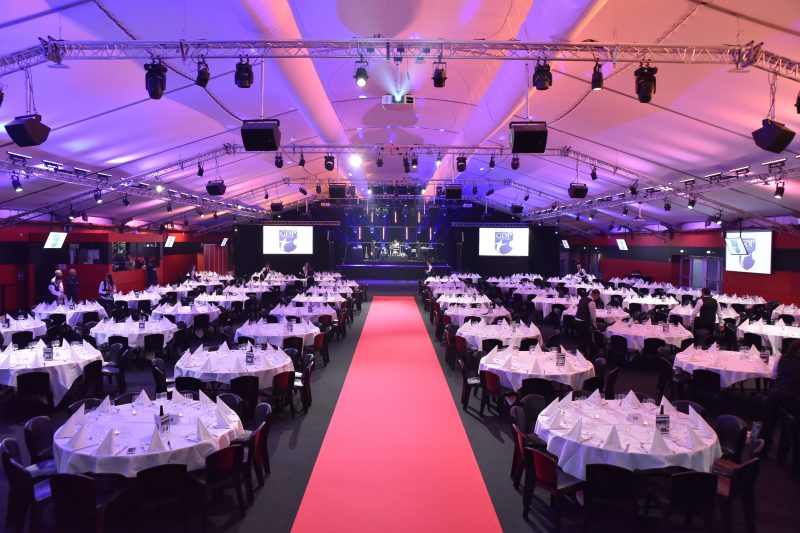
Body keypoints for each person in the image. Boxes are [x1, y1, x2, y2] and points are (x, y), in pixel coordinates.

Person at [760, 340, 800, 458]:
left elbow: (773, 376)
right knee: (793, 424)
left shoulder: (780, 358)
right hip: (793, 399)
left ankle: (761, 452)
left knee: (767, 425)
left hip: (775, 395)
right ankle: (789, 454)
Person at [575, 288, 601, 354]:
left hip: (576, 320)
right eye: (598, 296)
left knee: (580, 337)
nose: (598, 298)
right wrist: (594, 325)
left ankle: (580, 351)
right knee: (586, 338)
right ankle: (586, 353)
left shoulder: (582, 299)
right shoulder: (591, 302)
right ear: (595, 295)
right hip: (583, 322)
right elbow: (593, 317)